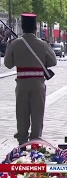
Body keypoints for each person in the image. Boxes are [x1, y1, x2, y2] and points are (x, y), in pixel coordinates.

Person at [4, 13, 57, 146]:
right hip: (38, 83)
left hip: (21, 82)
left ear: (22, 27)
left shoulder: (14, 44)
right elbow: (53, 61)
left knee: (21, 112)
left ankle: (22, 140)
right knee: (37, 113)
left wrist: (10, 48)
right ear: (35, 28)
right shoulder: (42, 44)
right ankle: (35, 139)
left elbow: (8, 64)